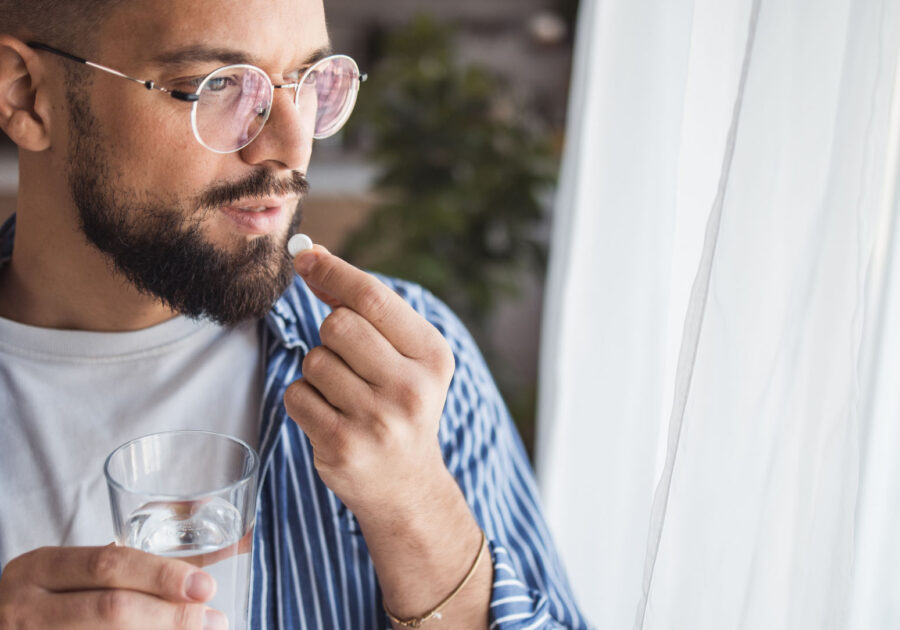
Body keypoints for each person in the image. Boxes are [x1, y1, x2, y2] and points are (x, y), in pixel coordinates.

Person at [0, 1, 589, 628]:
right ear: (28, 94)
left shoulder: (412, 369)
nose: (289, 145)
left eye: (309, 82)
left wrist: (417, 512)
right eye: (216, 84)